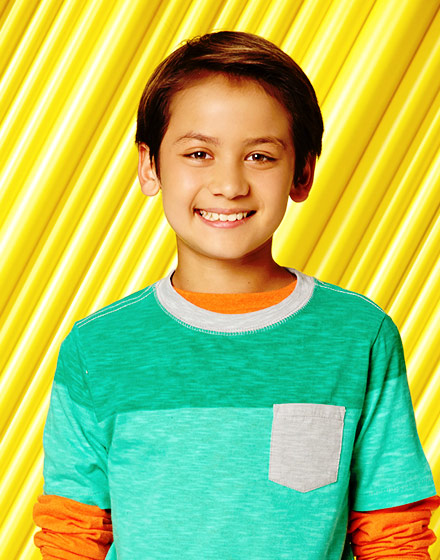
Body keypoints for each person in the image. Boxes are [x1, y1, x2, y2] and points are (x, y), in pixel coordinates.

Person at [33, 31, 439, 559]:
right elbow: (73, 534)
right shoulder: (98, 346)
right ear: (149, 166)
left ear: (303, 171)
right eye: (199, 153)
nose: (229, 184)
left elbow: (392, 534)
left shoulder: (359, 336)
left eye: (260, 156)